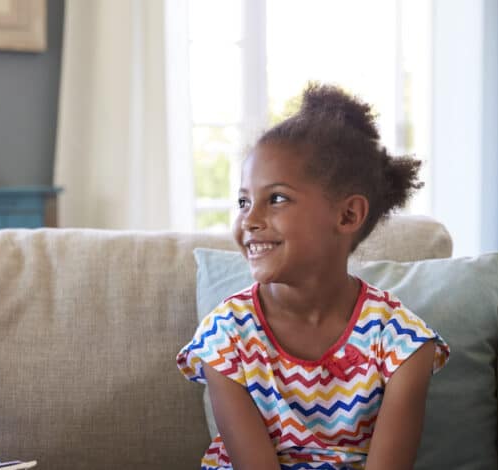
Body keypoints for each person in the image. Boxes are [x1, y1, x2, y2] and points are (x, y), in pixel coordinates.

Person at [177, 84, 450, 469]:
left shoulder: (402, 343)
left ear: (347, 216)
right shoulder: (226, 337)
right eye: (243, 201)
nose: (249, 220)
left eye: (276, 198)